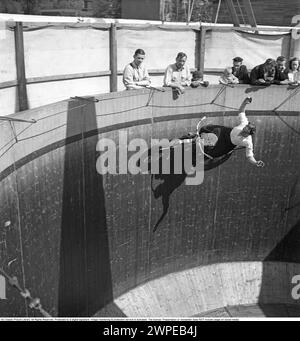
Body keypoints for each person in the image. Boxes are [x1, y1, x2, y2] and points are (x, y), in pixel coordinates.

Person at [198, 97, 264, 167]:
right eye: (246, 126)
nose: (244, 128)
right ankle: (198, 137)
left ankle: (199, 150)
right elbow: (241, 111)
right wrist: (245, 102)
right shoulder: (244, 123)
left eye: (247, 129)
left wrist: (255, 162)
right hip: (224, 132)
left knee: (211, 152)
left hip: (227, 144)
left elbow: (249, 156)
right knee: (207, 130)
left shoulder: (248, 142)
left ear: (248, 134)